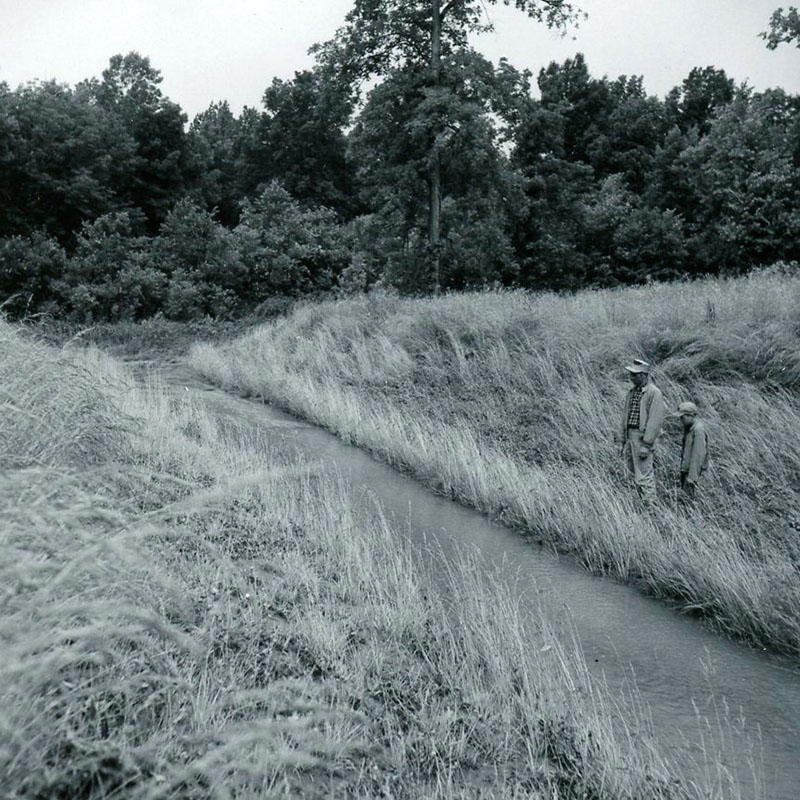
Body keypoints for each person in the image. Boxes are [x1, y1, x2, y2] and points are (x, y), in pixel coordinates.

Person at [619, 359, 666, 505]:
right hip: (630, 436)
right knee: (633, 472)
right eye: (631, 374)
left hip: (642, 437)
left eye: (635, 374)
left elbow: (655, 421)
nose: (631, 377)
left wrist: (647, 444)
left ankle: (651, 507)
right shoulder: (632, 392)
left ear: (644, 375)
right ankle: (642, 503)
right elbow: (625, 417)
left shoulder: (654, 393)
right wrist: (622, 439)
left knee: (644, 474)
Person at [672, 401, 709, 499]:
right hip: (686, 470)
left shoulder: (698, 430)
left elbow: (698, 455)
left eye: (682, 417)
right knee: (684, 499)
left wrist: (692, 478)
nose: (681, 420)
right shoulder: (689, 428)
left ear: (690, 416)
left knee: (686, 500)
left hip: (690, 473)